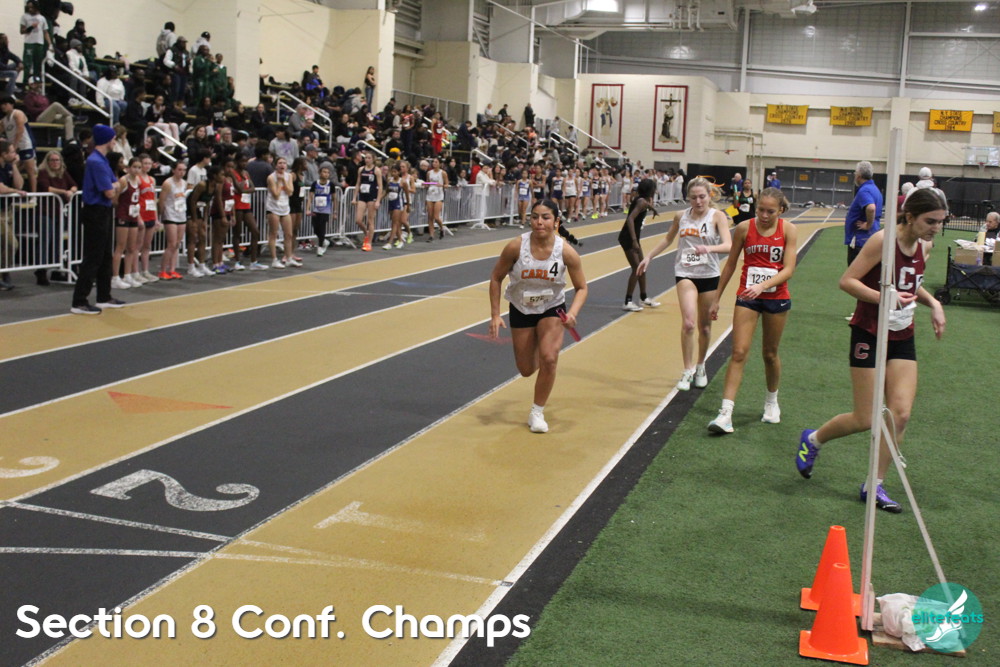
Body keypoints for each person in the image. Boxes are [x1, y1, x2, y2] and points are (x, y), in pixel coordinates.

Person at [795, 188, 948, 513]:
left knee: (900, 414)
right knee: (865, 417)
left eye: (940, 222)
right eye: (930, 221)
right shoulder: (883, 241)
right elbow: (847, 281)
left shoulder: (925, 244)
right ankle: (813, 439)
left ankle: (874, 484)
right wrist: (884, 298)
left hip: (902, 334)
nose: (936, 228)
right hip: (869, 331)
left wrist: (934, 304)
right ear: (910, 216)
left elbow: (911, 281)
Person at [488, 199, 588, 433]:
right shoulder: (516, 247)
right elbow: (496, 277)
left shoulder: (565, 252)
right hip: (521, 307)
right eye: (534, 217)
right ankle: (538, 350)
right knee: (525, 369)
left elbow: (582, 287)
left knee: (549, 358)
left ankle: (537, 412)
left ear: (556, 222)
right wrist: (495, 314)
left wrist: (572, 313)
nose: (539, 222)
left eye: (545, 217)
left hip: (552, 307)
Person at [706, 187, 797, 433]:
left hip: (776, 297)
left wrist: (763, 286)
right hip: (747, 297)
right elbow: (730, 265)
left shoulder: (788, 230)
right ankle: (725, 414)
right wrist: (716, 298)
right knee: (738, 352)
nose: (764, 216)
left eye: (770, 211)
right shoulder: (744, 228)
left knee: (770, 353)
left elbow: (789, 269)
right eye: (760, 210)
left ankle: (771, 402)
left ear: (780, 210)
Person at [639, 177, 732, 390]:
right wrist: (649, 257)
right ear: (688, 198)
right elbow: (668, 239)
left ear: (709, 196)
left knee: (705, 327)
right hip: (685, 273)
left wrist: (709, 249)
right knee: (689, 323)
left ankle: (700, 366)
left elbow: (728, 245)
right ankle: (687, 370)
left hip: (709, 275)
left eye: (702, 197)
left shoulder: (717, 216)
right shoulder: (681, 216)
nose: (698, 201)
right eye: (693, 198)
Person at [71, 125, 124, 314]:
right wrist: (115, 186)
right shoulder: (96, 162)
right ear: (107, 140)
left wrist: (114, 185)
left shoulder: (101, 160)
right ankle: (79, 301)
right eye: (113, 138)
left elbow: (114, 184)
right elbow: (110, 190)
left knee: (105, 255)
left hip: (103, 210)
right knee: (93, 257)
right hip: (96, 211)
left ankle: (103, 296)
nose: (115, 141)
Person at [616, 179, 662, 311]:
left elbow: (646, 205)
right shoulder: (641, 201)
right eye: (654, 188)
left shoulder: (643, 200)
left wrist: (653, 209)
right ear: (650, 190)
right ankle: (627, 301)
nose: (655, 191)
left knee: (642, 267)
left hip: (633, 238)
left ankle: (643, 297)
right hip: (628, 238)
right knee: (636, 268)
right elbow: (630, 219)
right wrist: (634, 240)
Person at [229, 154, 266, 270]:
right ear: (237, 162)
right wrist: (244, 188)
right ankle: (237, 261)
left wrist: (243, 189)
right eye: (242, 161)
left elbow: (253, 188)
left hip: (246, 205)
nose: (244, 163)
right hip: (237, 205)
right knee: (237, 233)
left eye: (245, 161)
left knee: (255, 231)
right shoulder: (232, 173)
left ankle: (253, 261)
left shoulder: (246, 173)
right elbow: (239, 188)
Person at [845, 160, 882, 265]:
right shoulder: (875, 189)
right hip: (871, 236)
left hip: (861, 240)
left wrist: (868, 225)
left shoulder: (864, 190)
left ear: (859, 175)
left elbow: (871, 208)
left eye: (855, 173)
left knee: (855, 272)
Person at [1, 95, 38, 193]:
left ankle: (34, 195)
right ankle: (14, 192)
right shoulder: (4, 121)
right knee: (12, 171)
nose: (3, 106)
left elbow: (20, 130)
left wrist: (14, 146)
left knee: (30, 171)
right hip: (13, 149)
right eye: (2, 105)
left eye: (5, 104)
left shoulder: (18, 113)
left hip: (25, 145)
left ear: (12, 104)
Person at [157, 160, 187, 280]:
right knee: (171, 244)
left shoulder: (184, 183)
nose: (181, 172)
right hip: (170, 215)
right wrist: (160, 216)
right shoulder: (168, 183)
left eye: (184, 170)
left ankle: (172, 270)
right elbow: (162, 201)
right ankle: (163, 270)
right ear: (174, 170)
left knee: (177, 244)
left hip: (181, 214)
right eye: (179, 169)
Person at [266, 156, 297, 268]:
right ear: (276, 165)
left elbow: (290, 192)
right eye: (280, 163)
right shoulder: (271, 177)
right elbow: (276, 194)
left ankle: (288, 258)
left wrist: (284, 180)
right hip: (273, 208)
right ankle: (274, 260)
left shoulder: (289, 176)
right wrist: (279, 182)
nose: (282, 165)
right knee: (273, 234)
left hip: (285, 207)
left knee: (289, 234)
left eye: (284, 163)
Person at [353, 151, 382, 251]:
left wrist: (378, 200)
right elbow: (358, 183)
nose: (367, 160)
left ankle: (369, 242)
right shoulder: (361, 169)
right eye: (366, 158)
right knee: (358, 220)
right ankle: (366, 233)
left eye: (369, 158)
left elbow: (380, 186)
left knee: (370, 220)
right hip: (362, 196)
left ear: (373, 159)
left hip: (372, 196)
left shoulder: (376, 170)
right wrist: (354, 197)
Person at [20, 1, 51, 85]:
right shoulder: (25, 16)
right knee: (27, 63)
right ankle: (25, 82)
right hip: (29, 43)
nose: (30, 9)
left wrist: (50, 44)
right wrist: (31, 27)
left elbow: (45, 32)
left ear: (36, 7)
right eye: (29, 7)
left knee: (38, 64)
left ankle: (36, 82)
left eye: (32, 7)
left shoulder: (42, 18)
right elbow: (22, 31)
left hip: (39, 43)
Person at [424, 157, 448, 242]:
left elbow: (447, 184)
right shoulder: (429, 173)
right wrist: (425, 185)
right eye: (433, 162)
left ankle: (441, 228)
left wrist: (441, 185)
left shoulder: (443, 173)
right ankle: (431, 235)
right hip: (430, 194)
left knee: (436, 216)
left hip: (439, 195)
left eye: (436, 162)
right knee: (430, 216)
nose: (434, 163)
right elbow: (428, 182)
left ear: (440, 163)